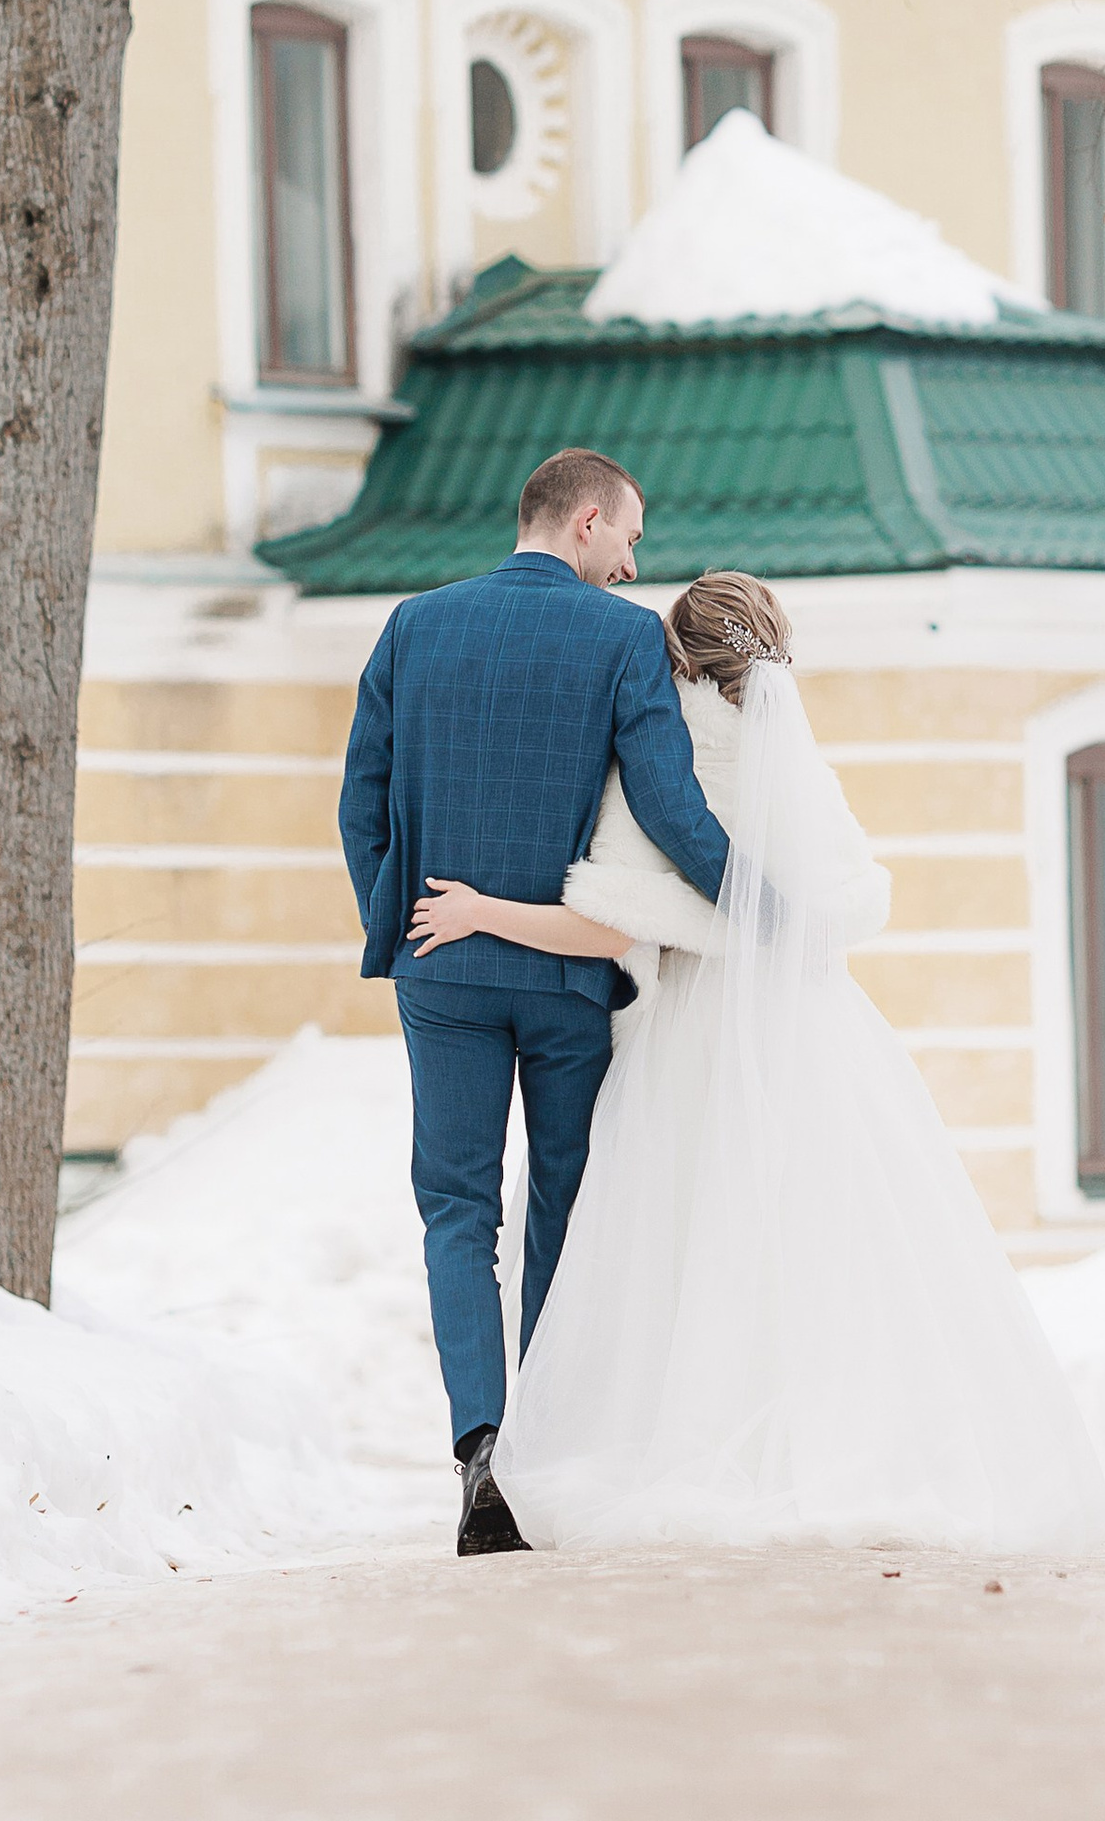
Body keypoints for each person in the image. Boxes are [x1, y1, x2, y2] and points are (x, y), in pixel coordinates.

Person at [409, 570, 1105, 1554]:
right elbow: (844, 891)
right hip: (820, 1030)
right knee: (818, 1247)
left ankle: (698, 1455)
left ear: (678, 657)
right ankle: (840, 1450)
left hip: (698, 1028)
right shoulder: (796, 758)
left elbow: (606, 925)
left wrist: (479, 911)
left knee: (687, 1251)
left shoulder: (667, 748)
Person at [337, 448, 728, 1557]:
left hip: (442, 967)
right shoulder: (622, 638)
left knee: (458, 1212)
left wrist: (401, 919)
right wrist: (756, 901)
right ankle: (547, 1448)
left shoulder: (413, 624)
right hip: (564, 975)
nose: (633, 560)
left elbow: (358, 801)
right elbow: (668, 802)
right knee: (564, 1201)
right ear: (587, 520)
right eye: (631, 537)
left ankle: (480, 1446)